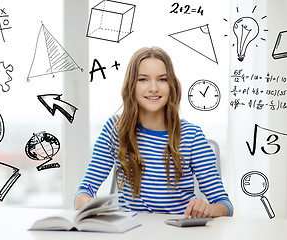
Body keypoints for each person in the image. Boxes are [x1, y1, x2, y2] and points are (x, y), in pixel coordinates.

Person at [75, 46, 233, 218]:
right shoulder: (115, 129)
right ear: (131, 85)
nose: (153, 88)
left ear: (171, 85)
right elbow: (84, 191)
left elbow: (225, 205)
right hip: (132, 232)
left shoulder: (191, 135)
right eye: (143, 79)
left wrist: (207, 209)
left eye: (162, 79)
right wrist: (87, 203)